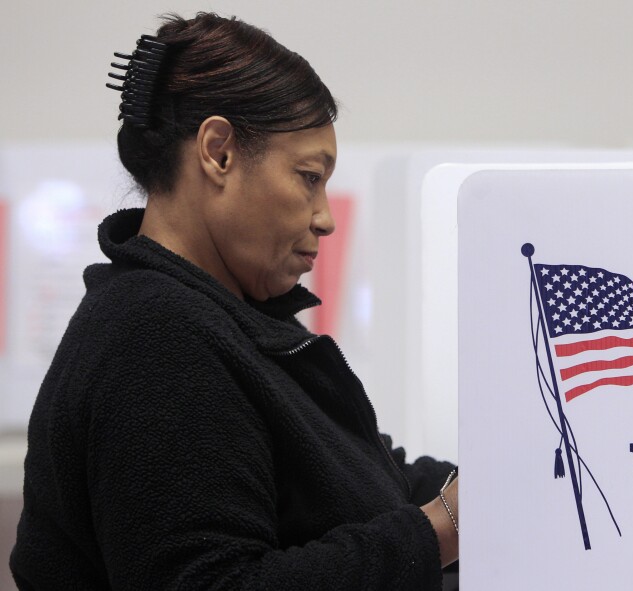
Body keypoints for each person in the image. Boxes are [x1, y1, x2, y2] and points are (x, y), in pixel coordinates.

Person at [9, 12, 458, 590]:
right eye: (308, 176)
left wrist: (496, 492)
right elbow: (214, 582)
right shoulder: (154, 339)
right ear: (217, 152)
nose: (324, 217)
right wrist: (442, 530)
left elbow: (375, 482)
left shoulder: (226, 324)